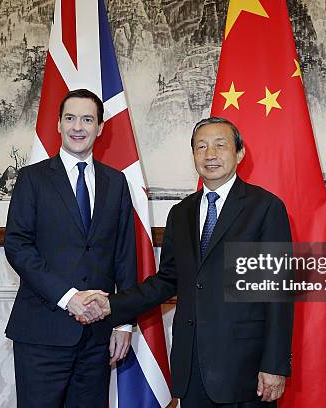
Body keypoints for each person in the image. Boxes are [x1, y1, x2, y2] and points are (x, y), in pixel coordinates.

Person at [81, 117, 294, 407]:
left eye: (220, 145)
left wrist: (275, 364)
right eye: (201, 147)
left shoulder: (266, 208)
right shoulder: (181, 213)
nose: (210, 155)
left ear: (240, 153)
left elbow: (277, 293)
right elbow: (167, 279)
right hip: (191, 365)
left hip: (245, 368)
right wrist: (113, 305)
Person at [3, 89, 136, 408]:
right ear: (59, 125)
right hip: (41, 334)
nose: (79, 126)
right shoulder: (32, 179)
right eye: (71, 118)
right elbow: (18, 245)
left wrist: (123, 321)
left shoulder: (116, 182)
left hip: (97, 337)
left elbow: (124, 254)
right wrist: (69, 298)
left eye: (87, 119)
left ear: (100, 127)